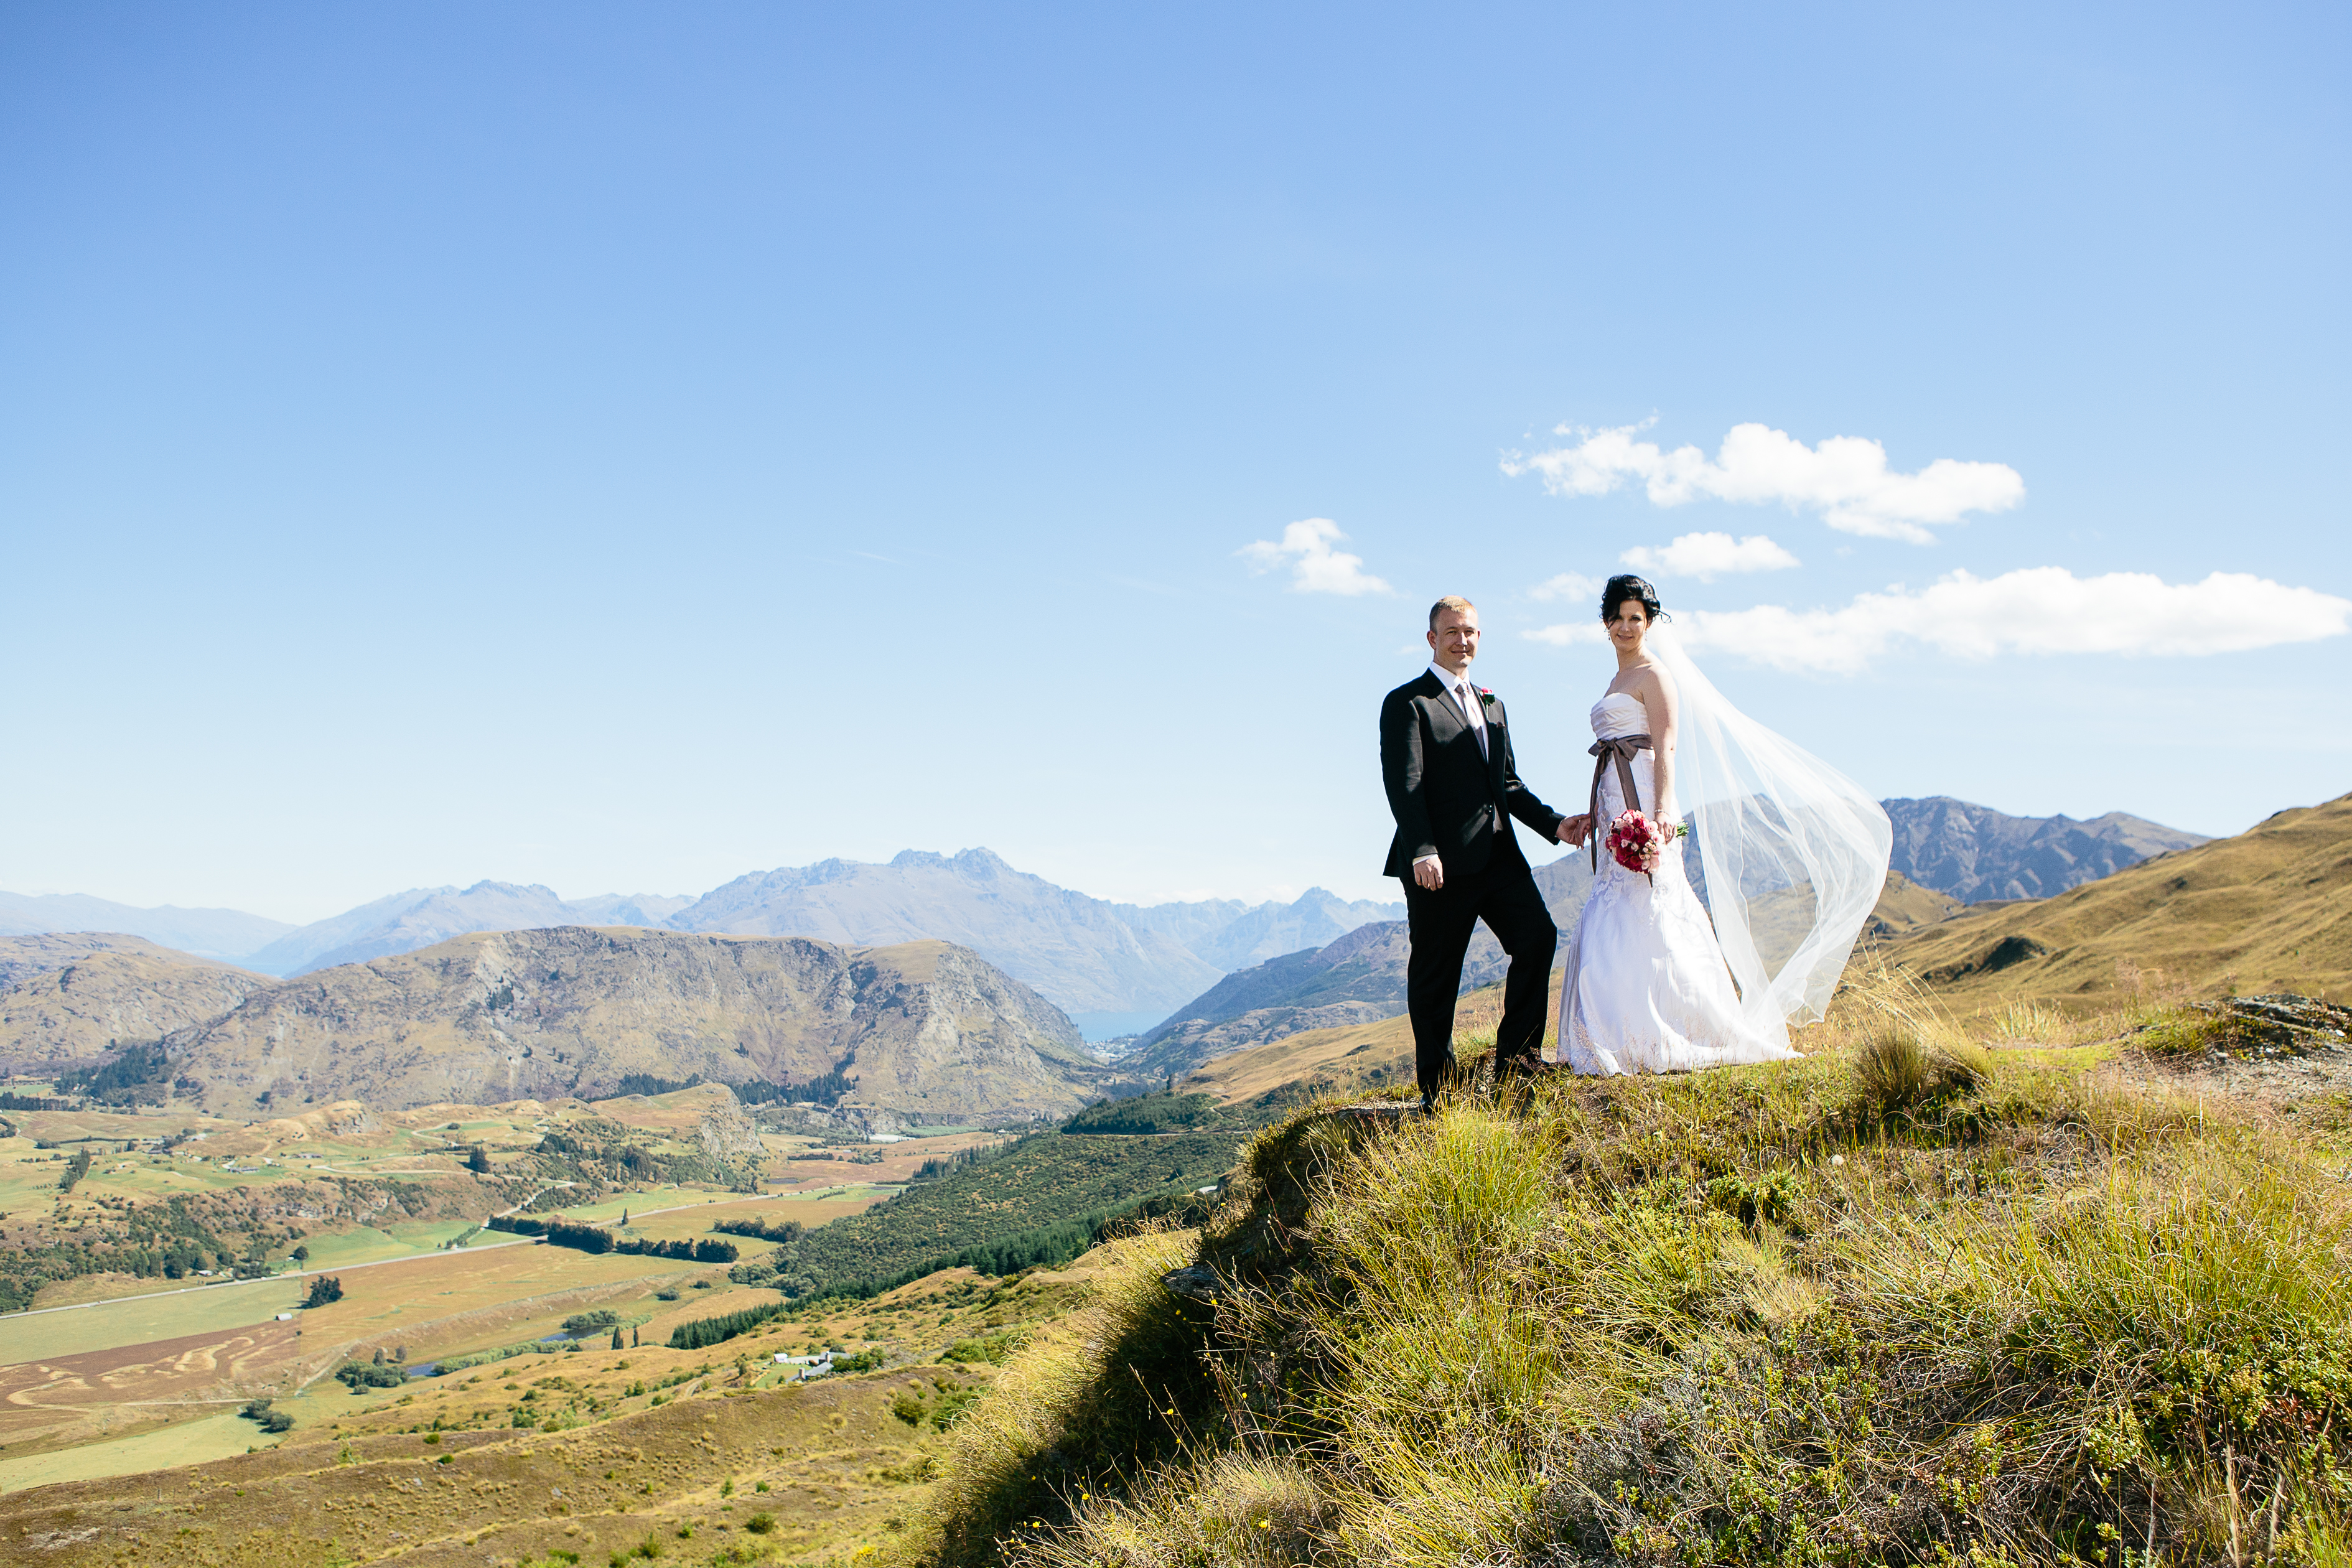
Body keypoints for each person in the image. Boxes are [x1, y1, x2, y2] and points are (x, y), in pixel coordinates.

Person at [1552, 574, 1892, 1074]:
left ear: (1648, 624)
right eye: (1619, 618)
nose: (1627, 627)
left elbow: (1665, 745)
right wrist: (1594, 813)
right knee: (1615, 901)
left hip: (1643, 796)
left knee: (1652, 902)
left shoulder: (1654, 675)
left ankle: (1674, 1029)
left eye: (1636, 619)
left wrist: (1662, 810)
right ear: (1606, 624)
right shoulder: (1616, 682)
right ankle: (1617, 1032)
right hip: (1611, 799)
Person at [1379, 595, 1580, 1104]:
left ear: (1479, 636)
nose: (1461, 640)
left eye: (1469, 631)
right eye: (1451, 632)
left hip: (1498, 857)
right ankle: (1440, 1095)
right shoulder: (1408, 704)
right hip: (1438, 867)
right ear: (1432, 639)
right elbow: (1405, 785)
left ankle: (1517, 1066)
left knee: (1537, 939)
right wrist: (1423, 849)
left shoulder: (1494, 704)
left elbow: (1507, 785)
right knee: (1436, 977)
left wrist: (1557, 826)